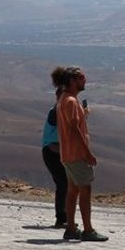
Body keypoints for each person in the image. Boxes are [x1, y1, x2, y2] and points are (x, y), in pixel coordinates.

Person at [53, 66, 108, 242]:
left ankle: (71, 228)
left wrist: (82, 114)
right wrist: (87, 153)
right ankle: (88, 230)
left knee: (73, 190)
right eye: (82, 78)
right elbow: (74, 130)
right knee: (85, 189)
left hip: (67, 153)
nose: (85, 81)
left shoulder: (65, 99)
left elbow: (72, 124)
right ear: (73, 80)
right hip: (77, 154)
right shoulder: (70, 101)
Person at [41, 86, 68, 228]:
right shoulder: (57, 111)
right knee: (63, 183)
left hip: (57, 151)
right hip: (52, 151)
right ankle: (61, 218)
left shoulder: (58, 110)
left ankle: (64, 217)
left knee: (65, 183)